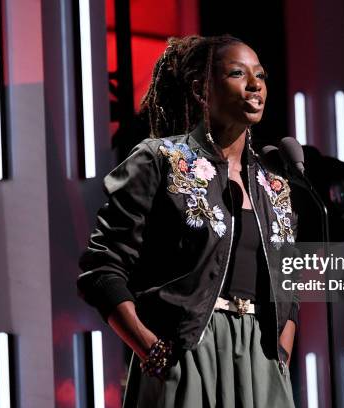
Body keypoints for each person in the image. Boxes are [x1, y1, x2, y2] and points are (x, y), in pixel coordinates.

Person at [77, 34, 299, 408]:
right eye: (237, 73)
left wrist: (282, 352)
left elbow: (288, 283)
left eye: (260, 75)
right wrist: (149, 349)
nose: (255, 84)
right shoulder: (160, 160)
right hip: (186, 352)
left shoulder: (273, 183)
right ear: (201, 90)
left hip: (261, 357)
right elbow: (102, 270)